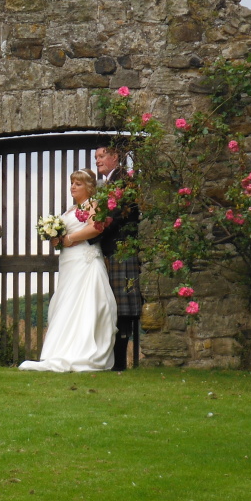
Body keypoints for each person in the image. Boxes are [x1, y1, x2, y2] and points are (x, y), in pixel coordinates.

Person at [18, 169, 117, 372]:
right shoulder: (71, 209)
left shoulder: (93, 205)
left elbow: (96, 228)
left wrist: (70, 239)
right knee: (66, 303)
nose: (73, 187)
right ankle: (59, 350)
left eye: (78, 184)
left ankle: (81, 351)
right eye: (72, 183)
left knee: (85, 303)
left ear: (89, 187)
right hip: (69, 263)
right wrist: (56, 239)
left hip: (85, 261)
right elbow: (65, 236)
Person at [93, 146, 143, 371]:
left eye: (101, 156)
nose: (97, 161)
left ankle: (120, 363)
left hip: (121, 250)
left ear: (115, 157)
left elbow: (112, 216)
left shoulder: (122, 180)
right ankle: (117, 362)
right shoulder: (112, 182)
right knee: (116, 307)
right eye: (96, 157)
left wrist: (91, 235)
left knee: (122, 309)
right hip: (115, 251)